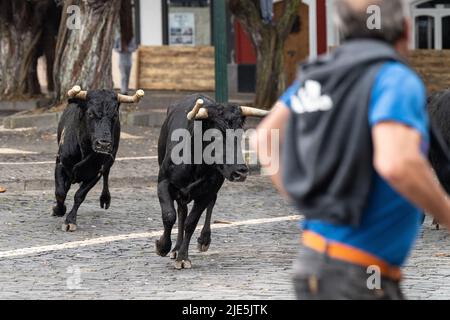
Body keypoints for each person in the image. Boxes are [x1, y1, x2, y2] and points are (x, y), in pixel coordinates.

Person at [253, 0, 450, 300]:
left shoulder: (319, 74)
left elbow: (265, 137)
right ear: (407, 30)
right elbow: (397, 163)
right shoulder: (394, 78)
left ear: (342, 30)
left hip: (314, 263)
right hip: (361, 275)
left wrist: (306, 197)